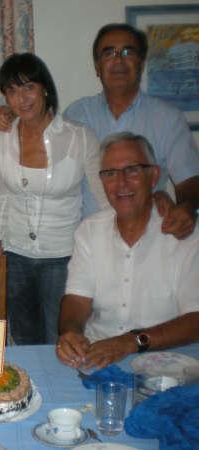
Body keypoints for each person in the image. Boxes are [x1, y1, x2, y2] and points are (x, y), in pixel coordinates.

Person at [0, 24, 199, 238]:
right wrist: (11, 113)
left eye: (127, 52)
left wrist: (187, 207)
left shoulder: (168, 118)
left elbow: (189, 181)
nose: (118, 60)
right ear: (97, 67)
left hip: (147, 235)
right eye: (109, 53)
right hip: (89, 240)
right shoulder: (77, 114)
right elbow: (39, 124)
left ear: (141, 63)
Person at [0, 53, 109, 345]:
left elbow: (103, 196)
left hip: (63, 255)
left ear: (44, 88)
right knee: (24, 337)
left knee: (62, 337)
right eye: (12, 91)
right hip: (15, 253)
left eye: (28, 87)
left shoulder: (79, 137)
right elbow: (1, 194)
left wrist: (109, 246)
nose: (21, 99)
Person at [56, 132, 199, 370]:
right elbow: (76, 300)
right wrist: (70, 333)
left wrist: (130, 342)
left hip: (166, 361)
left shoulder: (185, 234)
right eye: (110, 173)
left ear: (153, 176)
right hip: (96, 355)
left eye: (132, 170)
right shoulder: (89, 230)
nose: (120, 183)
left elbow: (195, 320)